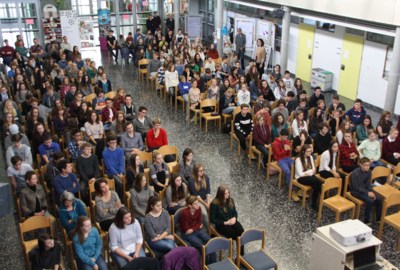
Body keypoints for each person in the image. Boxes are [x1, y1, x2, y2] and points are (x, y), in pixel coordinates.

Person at [349, 158, 383, 224]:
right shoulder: (355, 173)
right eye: (365, 165)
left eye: (368, 165)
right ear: (360, 165)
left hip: (364, 189)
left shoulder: (369, 172)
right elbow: (356, 187)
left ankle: (378, 219)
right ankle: (366, 220)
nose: (367, 167)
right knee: (370, 201)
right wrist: (368, 193)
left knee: (379, 199)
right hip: (355, 191)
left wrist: (371, 192)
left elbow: (368, 184)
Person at [179, 195, 214, 260]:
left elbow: (200, 222)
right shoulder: (184, 213)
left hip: (195, 230)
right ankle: (205, 262)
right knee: (200, 245)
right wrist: (197, 226)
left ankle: (213, 262)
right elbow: (186, 230)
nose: (198, 205)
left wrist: (193, 228)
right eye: (195, 204)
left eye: (197, 203)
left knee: (210, 241)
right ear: (190, 206)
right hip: (186, 234)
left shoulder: (199, 209)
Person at [295, 144, 322, 210]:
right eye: (308, 151)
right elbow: (300, 174)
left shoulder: (310, 157)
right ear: (303, 152)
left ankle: (314, 203)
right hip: (300, 178)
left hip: (309, 176)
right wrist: (310, 172)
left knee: (316, 186)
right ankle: (321, 197)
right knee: (319, 182)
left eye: (310, 151)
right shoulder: (298, 159)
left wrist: (309, 172)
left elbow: (314, 169)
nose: (310, 153)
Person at [272, 129, 296, 198]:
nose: (285, 139)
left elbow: (289, 153)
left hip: (287, 158)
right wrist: (285, 150)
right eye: (284, 137)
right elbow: (278, 154)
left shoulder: (287, 141)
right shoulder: (275, 143)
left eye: (286, 137)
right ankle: (291, 187)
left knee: (295, 166)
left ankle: (295, 182)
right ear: (280, 135)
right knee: (287, 171)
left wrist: (288, 150)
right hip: (280, 160)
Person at [102, 133, 125, 199]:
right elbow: (109, 166)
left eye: (115, 142)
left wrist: (120, 172)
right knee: (120, 183)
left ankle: (119, 197)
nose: (114, 144)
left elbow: (122, 162)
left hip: (120, 171)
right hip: (111, 173)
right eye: (112, 143)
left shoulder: (120, 150)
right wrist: (117, 174)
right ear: (108, 143)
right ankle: (120, 199)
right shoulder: (105, 152)